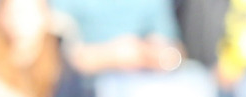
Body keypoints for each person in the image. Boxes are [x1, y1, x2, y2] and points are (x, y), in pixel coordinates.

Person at [51, 0, 186, 74]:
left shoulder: (152, 3)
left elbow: (174, 52)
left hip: (138, 84)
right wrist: (111, 56)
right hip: (81, 87)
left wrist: (147, 53)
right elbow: (56, 50)